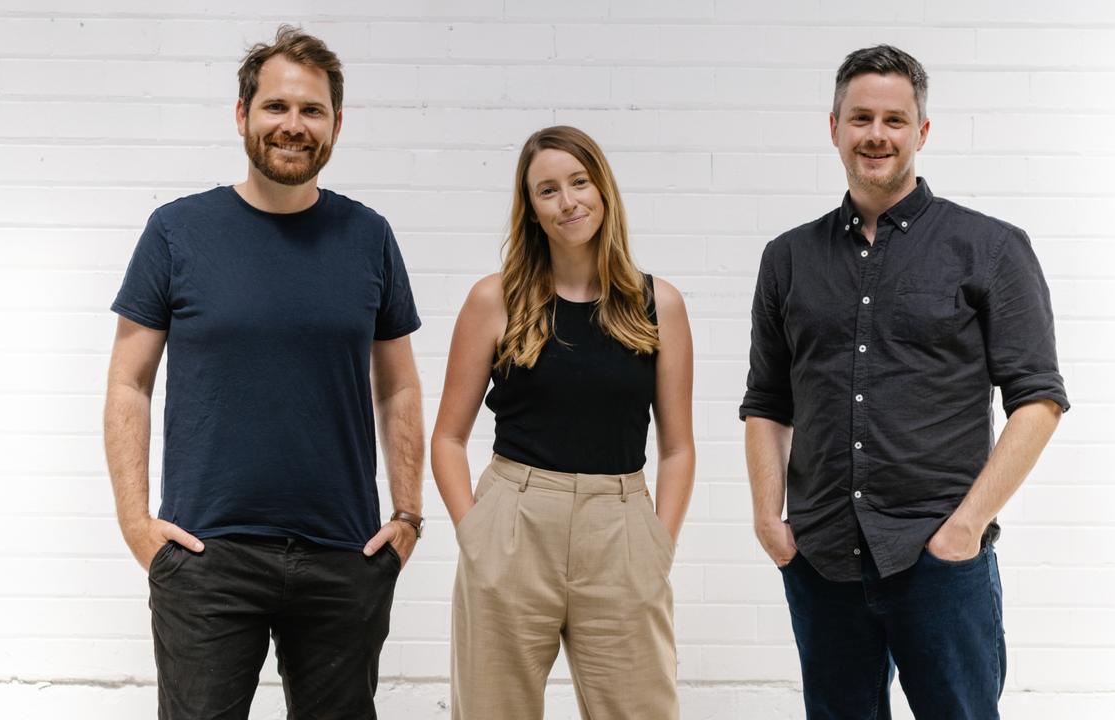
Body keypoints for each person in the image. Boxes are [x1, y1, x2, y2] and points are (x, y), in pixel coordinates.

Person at [102, 26, 424, 720]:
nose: (293, 125)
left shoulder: (369, 236)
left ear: (336, 124)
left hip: (344, 552)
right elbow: (129, 381)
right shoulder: (176, 231)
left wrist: (407, 515)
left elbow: (398, 384)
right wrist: (136, 524)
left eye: (312, 110)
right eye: (276, 107)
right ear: (242, 114)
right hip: (206, 555)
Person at [741, 44, 1069, 719]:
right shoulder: (787, 258)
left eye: (895, 120)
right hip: (822, 555)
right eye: (860, 117)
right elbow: (767, 403)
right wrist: (769, 521)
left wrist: (965, 528)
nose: (876, 135)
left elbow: (1038, 400)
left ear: (921, 132)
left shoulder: (991, 247)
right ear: (833, 127)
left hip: (939, 559)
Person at [430, 125, 695, 719]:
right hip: (513, 522)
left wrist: (658, 544)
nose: (568, 201)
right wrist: (475, 535)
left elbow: (678, 447)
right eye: (547, 190)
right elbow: (447, 437)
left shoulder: (660, 305)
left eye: (579, 182)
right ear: (531, 209)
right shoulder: (495, 300)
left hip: (621, 527)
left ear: (603, 189)